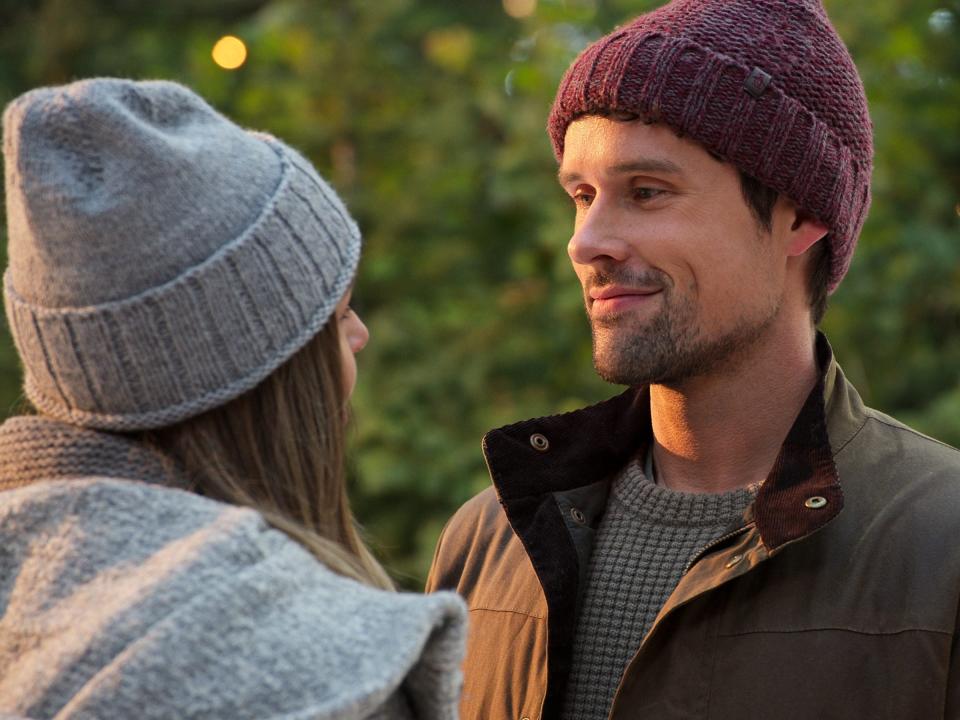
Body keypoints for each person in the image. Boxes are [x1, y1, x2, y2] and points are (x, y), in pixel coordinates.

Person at [426, 0, 960, 718]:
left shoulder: (942, 543)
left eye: (646, 193)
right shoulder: (488, 541)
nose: (586, 242)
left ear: (800, 217)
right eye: (581, 196)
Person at [0, 78, 465, 719]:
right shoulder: (321, 669)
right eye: (337, 317)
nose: (361, 336)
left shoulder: (28, 593)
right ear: (265, 370)